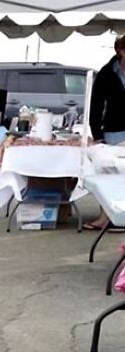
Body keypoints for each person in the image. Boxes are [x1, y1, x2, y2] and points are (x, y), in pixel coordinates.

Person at [86, 35, 125, 230]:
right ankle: (105, 216)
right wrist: (97, 133)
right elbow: (96, 104)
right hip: (114, 131)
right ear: (121, 51)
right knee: (108, 173)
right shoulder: (107, 73)